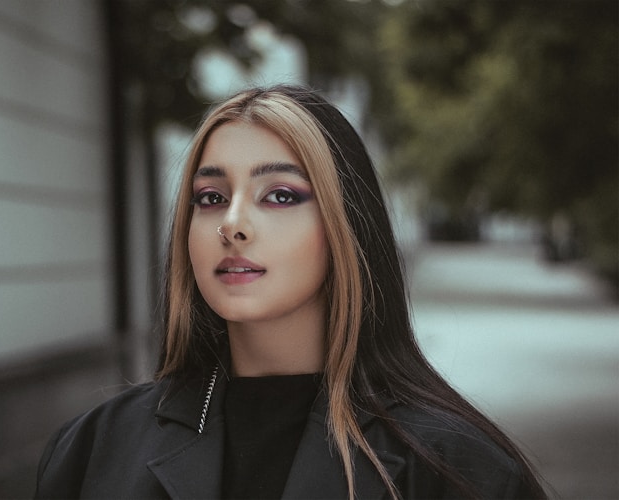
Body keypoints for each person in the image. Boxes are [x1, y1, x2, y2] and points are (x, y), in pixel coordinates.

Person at [34, 85, 546, 499]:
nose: (232, 224)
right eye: (210, 197)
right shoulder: (91, 450)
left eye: (279, 195)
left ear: (347, 227)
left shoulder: (458, 468)